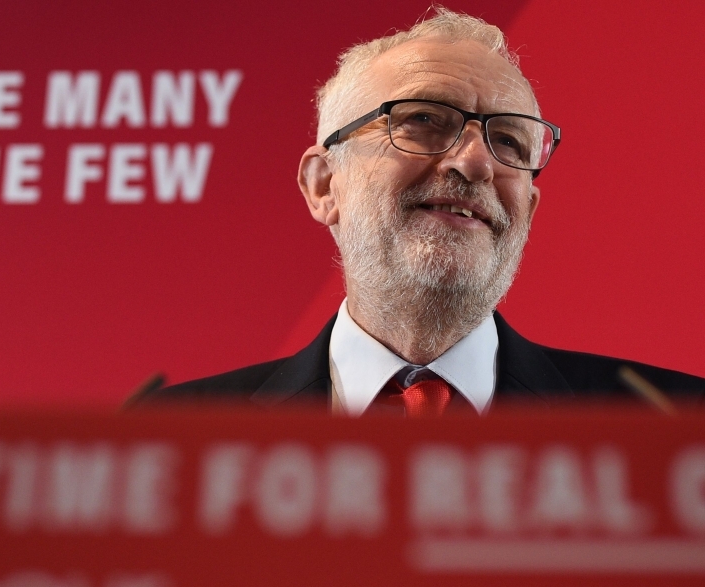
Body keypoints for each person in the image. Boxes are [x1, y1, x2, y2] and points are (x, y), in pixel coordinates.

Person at [149, 8, 705, 415]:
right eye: (422, 120)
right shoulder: (174, 435)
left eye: (509, 142)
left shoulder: (674, 426)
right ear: (324, 185)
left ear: (528, 211)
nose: (476, 163)